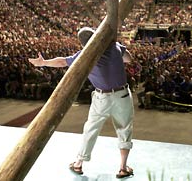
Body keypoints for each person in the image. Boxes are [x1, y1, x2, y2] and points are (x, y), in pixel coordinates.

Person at [28, 27, 135, 178]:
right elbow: (129, 59)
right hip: (122, 95)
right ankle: (123, 168)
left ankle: (78, 164)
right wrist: (116, 45)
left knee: (91, 130)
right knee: (124, 130)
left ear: (83, 44)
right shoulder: (114, 46)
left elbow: (62, 62)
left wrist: (43, 62)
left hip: (101, 98)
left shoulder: (84, 55)